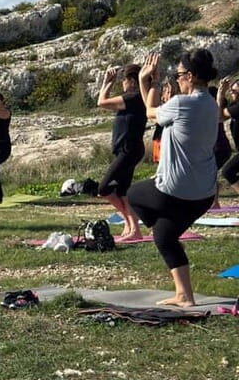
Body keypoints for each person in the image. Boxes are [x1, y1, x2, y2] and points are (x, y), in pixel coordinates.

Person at [127, 49, 218, 307]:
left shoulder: (182, 104)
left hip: (176, 191)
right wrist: (149, 85)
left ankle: (159, 223)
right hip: (204, 194)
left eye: (178, 75)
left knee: (134, 194)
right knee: (164, 236)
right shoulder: (210, 104)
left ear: (190, 75)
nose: (177, 79)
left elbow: (150, 112)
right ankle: (184, 295)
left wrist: (151, 82)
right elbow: (153, 111)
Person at [96, 64, 147, 240]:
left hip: (129, 150)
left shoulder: (133, 97)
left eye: (123, 80)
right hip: (127, 149)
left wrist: (107, 82)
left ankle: (131, 223)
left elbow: (101, 102)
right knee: (122, 191)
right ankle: (134, 230)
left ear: (132, 81)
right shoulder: (135, 98)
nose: (122, 84)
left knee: (104, 188)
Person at [209, 86, 232, 208]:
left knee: (210, 173)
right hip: (218, 147)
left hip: (220, 148)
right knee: (211, 174)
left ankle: (215, 202)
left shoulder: (216, 110)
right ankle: (214, 201)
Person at [217, 77, 239, 198]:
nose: (232, 92)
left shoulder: (237, 107)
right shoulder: (234, 105)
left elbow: (219, 115)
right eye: (231, 91)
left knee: (228, 171)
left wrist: (221, 93)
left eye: (234, 91)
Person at [151, 77, 177, 163]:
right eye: (168, 92)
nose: (170, 95)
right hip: (159, 138)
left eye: (173, 93)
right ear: (163, 96)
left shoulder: (176, 107)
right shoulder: (161, 107)